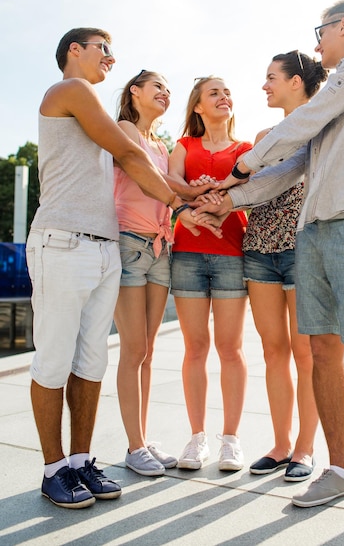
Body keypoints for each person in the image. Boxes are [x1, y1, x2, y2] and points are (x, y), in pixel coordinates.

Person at [194, 0, 344, 518]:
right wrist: (226, 201)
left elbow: (303, 121)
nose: (317, 45)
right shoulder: (334, 102)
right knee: (322, 352)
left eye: (321, 32)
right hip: (313, 233)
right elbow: (292, 165)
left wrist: (239, 166)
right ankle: (339, 471)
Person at [26, 29, 222, 509]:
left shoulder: (89, 100)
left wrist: (192, 195)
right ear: (75, 51)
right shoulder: (71, 91)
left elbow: (146, 163)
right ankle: (53, 468)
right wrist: (180, 204)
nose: (111, 58)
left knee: (92, 360)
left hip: (104, 243)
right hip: (61, 239)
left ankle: (79, 461)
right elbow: (131, 156)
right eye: (102, 49)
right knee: (53, 358)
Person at [113, 70, 221, 478]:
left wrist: (206, 188)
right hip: (130, 241)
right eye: (156, 86)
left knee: (149, 349)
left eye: (167, 89)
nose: (164, 92)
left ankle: (140, 438)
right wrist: (186, 199)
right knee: (133, 348)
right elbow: (145, 172)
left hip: (161, 246)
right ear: (134, 92)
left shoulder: (162, 144)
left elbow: (172, 180)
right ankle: (134, 446)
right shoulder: (125, 129)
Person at [243, 51, 328, 482]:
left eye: (271, 77)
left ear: (296, 81)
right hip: (259, 247)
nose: (264, 85)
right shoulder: (265, 134)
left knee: (306, 352)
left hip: (302, 247)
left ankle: (305, 447)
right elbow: (251, 188)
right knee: (272, 350)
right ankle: (280, 444)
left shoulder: (322, 123)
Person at [168, 76, 252, 471]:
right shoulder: (183, 146)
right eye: (214, 92)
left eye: (227, 92)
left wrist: (220, 193)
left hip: (233, 254)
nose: (224, 97)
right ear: (198, 106)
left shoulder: (246, 149)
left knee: (230, 349)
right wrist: (193, 197)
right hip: (187, 254)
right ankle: (197, 438)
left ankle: (231, 441)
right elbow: (170, 188)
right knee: (195, 348)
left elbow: (252, 198)